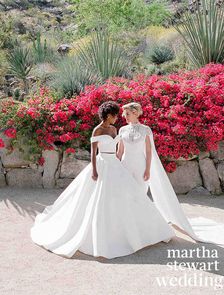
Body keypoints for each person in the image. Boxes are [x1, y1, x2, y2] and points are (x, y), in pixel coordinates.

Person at [30, 101, 176, 259]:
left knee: (127, 196)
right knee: (99, 198)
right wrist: (94, 170)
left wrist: (122, 164)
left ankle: (136, 229)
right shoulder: (97, 130)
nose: (118, 118)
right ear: (108, 115)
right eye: (115, 115)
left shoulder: (114, 129)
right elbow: (93, 152)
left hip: (115, 165)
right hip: (101, 164)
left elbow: (120, 150)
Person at [116, 102, 224, 246]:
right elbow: (120, 151)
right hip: (125, 166)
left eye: (127, 113)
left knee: (141, 194)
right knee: (127, 194)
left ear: (135, 113)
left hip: (140, 165)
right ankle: (128, 225)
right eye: (124, 114)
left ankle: (142, 225)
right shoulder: (122, 130)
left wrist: (148, 169)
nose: (125, 116)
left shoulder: (145, 130)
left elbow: (148, 152)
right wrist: (115, 166)